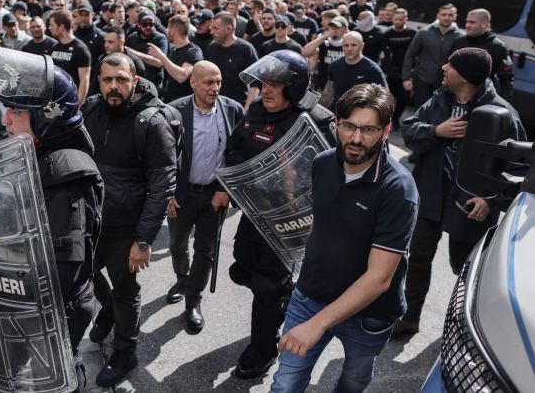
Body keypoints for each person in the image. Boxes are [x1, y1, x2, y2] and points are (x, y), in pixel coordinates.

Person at [270, 84, 419, 392]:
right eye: (348, 125)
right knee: (285, 386)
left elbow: (379, 278)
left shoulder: (399, 190)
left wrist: (319, 323)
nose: (355, 138)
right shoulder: (323, 163)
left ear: (387, 129)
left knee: (353, 381)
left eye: (368, 129)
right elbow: (320, 221)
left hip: (370, 315)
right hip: (310, 297)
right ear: (336, 122)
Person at [0, 48, 104, 393]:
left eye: (17, 110)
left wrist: (5, 288)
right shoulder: (34, 156)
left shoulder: (66, 173)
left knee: (56, 382)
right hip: (24, 299)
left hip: (51, 310)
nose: (6, 119)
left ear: (48, 117)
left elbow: (65, 269)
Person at [393, 48, 526, 338]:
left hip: (469, 208)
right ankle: (410, 317)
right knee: (417, 258)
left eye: (450, 65)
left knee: (465, 271)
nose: (443, 68)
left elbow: (517, 168)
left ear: (465, 76)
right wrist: (436, 131)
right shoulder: (439, 100)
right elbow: (409, 130)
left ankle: (464, 329)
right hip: (430, 196)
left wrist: (491, 201)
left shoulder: (501, 113)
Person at [223, 50, 321, 379]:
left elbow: (329, 175)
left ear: (293, 88)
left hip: (289, 220)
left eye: (275, 84)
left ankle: (262, 349)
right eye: (264, 83)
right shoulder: (254, 113)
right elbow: (235, 148)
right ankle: (280, 296)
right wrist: (228, 183)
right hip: (254, 214)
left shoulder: (313, 121)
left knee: (267, 287)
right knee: (242, 266)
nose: (266, 90)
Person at [82, 53, 176, 387]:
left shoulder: (151, 122)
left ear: (134, 81)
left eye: (121, 79)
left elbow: (162, 185)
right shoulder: (91, 109)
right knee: (87, 276)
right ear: (99, 82)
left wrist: (144, 240)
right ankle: (106, 312)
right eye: (108, 80)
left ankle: (125, 352)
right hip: (92, 222)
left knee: (125, 292)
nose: (114, 86)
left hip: (127, 229)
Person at [165, 61, 243, 334]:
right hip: (181, 195)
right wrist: (166, 193)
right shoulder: (174, 110)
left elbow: (237, 153)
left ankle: (193, 300)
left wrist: (225, 189)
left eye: (218, 81)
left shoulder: (233, 109)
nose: (215, 88)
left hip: (214, 195)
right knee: (177, 244)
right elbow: (162, 157)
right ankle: (181, 278)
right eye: (208, 82)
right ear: (193, 83)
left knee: (205, 251)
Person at [402, 3, 464, 105]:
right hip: (422, 80)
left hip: (447, 84)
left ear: (455, 16)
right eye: (444, 14)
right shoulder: (424, 33)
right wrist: (406, 78)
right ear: (438, 15)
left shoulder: (461, 37)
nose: (446, 18)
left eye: (450, 15)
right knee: (421, 111)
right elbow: (410, 55)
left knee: (439, 115)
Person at [448, 8, 514, 97]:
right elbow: (447, 68)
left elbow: (506, 79)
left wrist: (503, 103)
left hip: (481, 98)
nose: (467, 25)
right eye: (467, 22)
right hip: (454, 96)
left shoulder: (498, 47)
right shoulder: (458, 42)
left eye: (472, 22)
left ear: (484, 24)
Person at [140, 15, 203, 103]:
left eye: (168, 28)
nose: (166, 31)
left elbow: (182, 76)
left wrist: (161, 56)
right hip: (169, 101)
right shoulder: (173, 49)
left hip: (184, 104)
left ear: (173, 31)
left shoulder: (194, 51)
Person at [204, 12, 258, 104]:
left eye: (215, 28)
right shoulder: (211, 47)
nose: (211, 32)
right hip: (214, 106)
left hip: (239, 106)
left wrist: (247, 112)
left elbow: (255, 85)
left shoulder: (246, 49)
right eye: (211, 28)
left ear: (229, 29)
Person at [327, 31, 387, 109]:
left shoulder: (372, 69)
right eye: (346, 45)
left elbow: (384, 96)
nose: (349, 49)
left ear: (362, 46)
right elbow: (328, 92)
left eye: (353, 45)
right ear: (342, 46)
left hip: (361, 115)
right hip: (337, 112)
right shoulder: (335, 65)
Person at [302, 15, 348, 108]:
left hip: (342, 86)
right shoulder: (324, 43)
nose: (334, 29)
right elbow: (305, 52)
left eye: (337, 27)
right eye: (332, 26)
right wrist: (323, 37)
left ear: (345, 29)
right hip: (323, 85)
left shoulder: (348, 44)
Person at [382, 8, 417, 129]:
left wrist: (412, 73)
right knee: (386, 97)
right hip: (390, 71)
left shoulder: (412, 33)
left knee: (404, 98)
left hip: (406, 72)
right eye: (395, 19)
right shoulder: (387, 34)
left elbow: (415, 54)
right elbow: (384, 54)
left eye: (400, 19)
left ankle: (395, 118)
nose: (397, 22)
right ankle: (385, 119)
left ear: (405, 19)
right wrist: (385, 71)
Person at [49, 10, 92, 102]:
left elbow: (84, 81)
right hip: (54, 100)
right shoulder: (53, 48)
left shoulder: (81, 49)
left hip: (70, 100)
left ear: (61, 27)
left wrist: (77, 106)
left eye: (52, 25)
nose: (49, 28)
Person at [125, 11, 169, 88]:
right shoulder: (132, 38)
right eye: (145, 24)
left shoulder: (160, 38)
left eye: (151, 24)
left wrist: (133, 52)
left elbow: (159, 62)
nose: (148, 27)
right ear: (138, 25)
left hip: (154, 83)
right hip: (136, 82)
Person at [73, 2, 105, 72]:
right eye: (81, 15)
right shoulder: (73, 35)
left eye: (86, 15)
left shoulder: (101, 36)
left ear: (92, 15)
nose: (84, 18)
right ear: (77, 15)